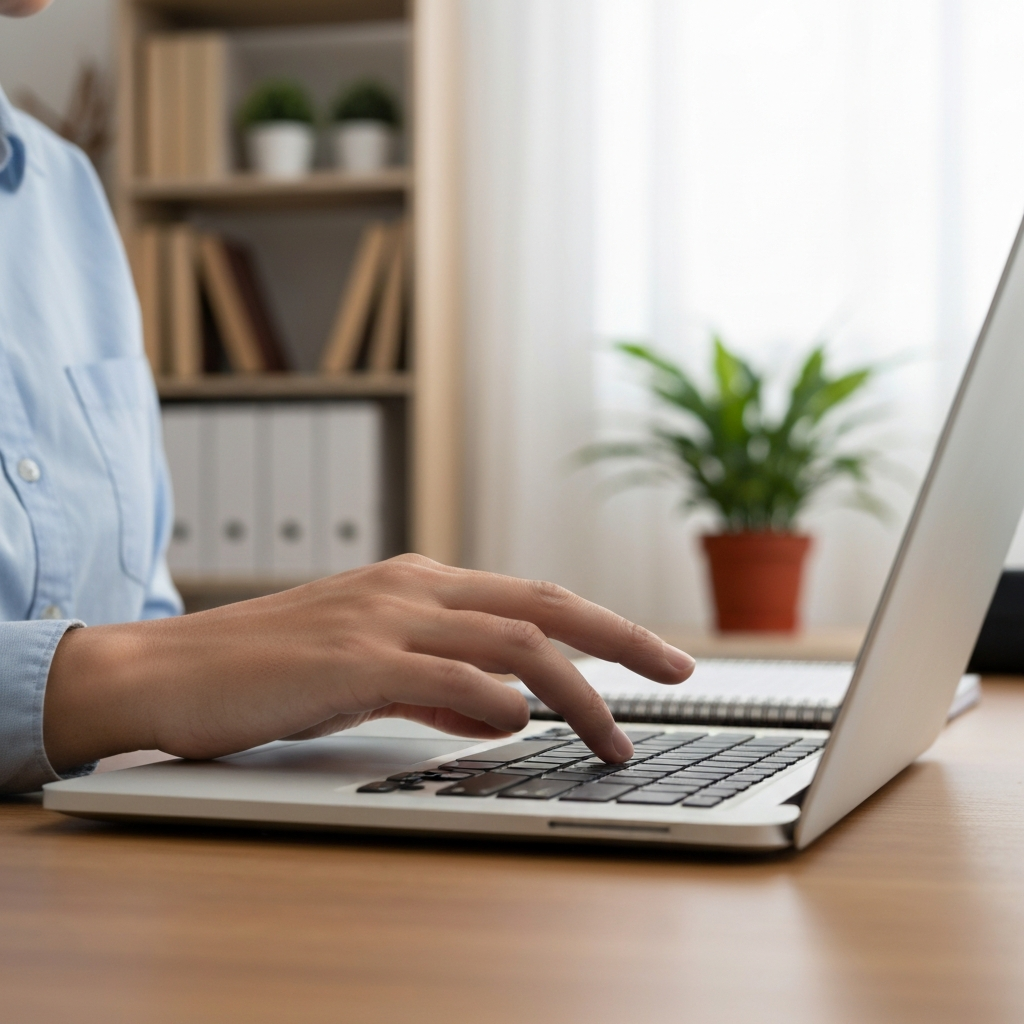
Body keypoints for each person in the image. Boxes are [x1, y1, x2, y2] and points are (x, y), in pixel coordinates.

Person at [0, 0, 695, 795]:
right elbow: (140, 665)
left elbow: (139, 614)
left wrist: (235, 687)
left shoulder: (65, 191)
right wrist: (140, 679)